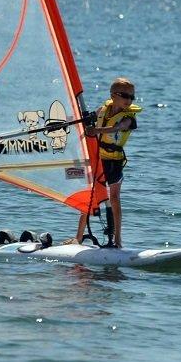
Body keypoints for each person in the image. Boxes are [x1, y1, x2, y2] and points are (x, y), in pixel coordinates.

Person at [65, 77, 142, 248]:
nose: (129, 100)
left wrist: (97, 130)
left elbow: (117, 128)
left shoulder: (129, 118)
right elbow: (87, 125)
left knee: (114, 198)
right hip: (98, 161)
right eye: (125, 96)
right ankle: (77, 237)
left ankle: (118, 240)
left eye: (132, 97)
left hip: (114, 163)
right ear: (113, 95)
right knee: (89, 196)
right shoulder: (102, 110)